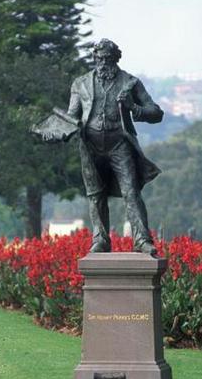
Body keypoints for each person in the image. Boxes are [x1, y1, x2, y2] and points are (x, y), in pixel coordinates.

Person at [67, 38, 163, 256]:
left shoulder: (130, 83)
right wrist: (59, 130)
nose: (103, 62)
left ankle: (141, 239)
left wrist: (133, 107)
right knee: (95, 194)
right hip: (90, 147)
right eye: (100, 58)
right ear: (94, 58)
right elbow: (71, 117)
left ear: (116, 59)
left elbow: (156, 113)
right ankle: (100, 239)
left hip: (120, 144)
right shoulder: (80, 84)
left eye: (108, 58)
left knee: (131, 192)